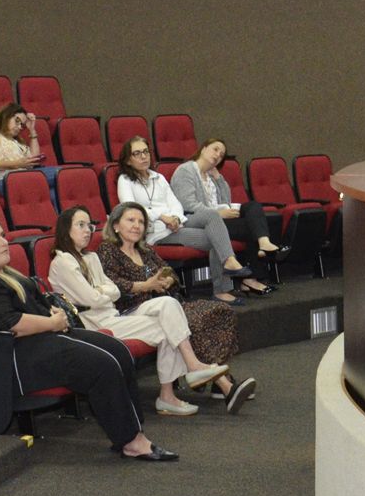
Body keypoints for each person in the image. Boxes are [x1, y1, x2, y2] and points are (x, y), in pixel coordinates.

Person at [0, 211, 176, 462]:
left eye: (3, 236)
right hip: (15, 357)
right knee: (101, 364)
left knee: (118, 350)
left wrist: (53, 312)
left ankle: (135, 430)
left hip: (42, 339)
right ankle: (131, 441)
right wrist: (51, 322)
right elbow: (12, 324)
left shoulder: (7, 274)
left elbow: (33, 305)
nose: (5, 242)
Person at [47, 205, 241, 417]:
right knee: (169, 325)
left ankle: (174, 390)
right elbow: (97, 296)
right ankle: (187, 378)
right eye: (80, 225)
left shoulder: (91, 258)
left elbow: (110, 290)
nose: (87, 230)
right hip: (95, 324)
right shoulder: (63, 261)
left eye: (89, 225)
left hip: (112, 315)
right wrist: (106, 292)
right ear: (66, 229)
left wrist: (104, 292)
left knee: (168, 308)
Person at [98, 202, 255, 415]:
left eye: (141, 222)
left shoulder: (145, 251)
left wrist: (165, 282)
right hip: (130, 309)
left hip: (161, 305)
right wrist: (146, 285)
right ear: (115, 225)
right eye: (131, 220)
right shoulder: (108, 250)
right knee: (178, 313)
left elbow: (169, 272)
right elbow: (111, 285)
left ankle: (222, 384)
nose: (137, 226)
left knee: (215, 311)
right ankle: (207, 374)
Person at [116, 136, 261, 303]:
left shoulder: (159, 178)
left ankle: (227, 267)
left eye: (146, 152)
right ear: (128, 160)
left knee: (212, 217)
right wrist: (162, 217)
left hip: (176, 225)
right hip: (156, 232)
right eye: (137, 153)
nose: (143, 156)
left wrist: (176, 218)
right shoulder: (125, 180)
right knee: (216, 239)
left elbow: (175, 203)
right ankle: (222, 288)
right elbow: (130, 209)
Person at [170, 137, 283, 278]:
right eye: (215, 149)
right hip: (201, 221)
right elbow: (188, 205)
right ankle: (253, 277)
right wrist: (218, 213)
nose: (218, 155)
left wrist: (219, 179)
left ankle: (264, 242)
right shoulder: (185, 170)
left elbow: (226, 201)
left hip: (220, 217)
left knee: (253, 207)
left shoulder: (211, 175)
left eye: (221, 154)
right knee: (252, 226)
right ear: (204, 148)